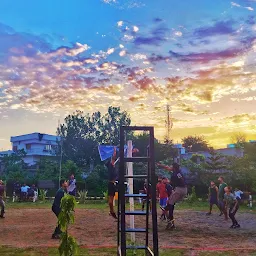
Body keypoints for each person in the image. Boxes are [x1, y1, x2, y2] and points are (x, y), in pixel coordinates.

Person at [157, 162, 187, 230]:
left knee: (170, 205)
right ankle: (168, 215)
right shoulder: (178, 172)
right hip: (184, 189)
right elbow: (168, 168)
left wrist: (165, 182)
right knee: (170, 204)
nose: (170, 167)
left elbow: (171, 182)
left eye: (171, 166)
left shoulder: (174, 175)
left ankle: (171, 223)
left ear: (173, 167)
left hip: (179, 189)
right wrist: (161, 165)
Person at [105, 147, 118, 219]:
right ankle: (111, 211)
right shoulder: (111, 166)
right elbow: (113, 157)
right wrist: (114, 150)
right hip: (111, 184)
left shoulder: (112, 168)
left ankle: (112, 211)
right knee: (110, 201)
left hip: (113, 184)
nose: (114, 162)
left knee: (111, 200)